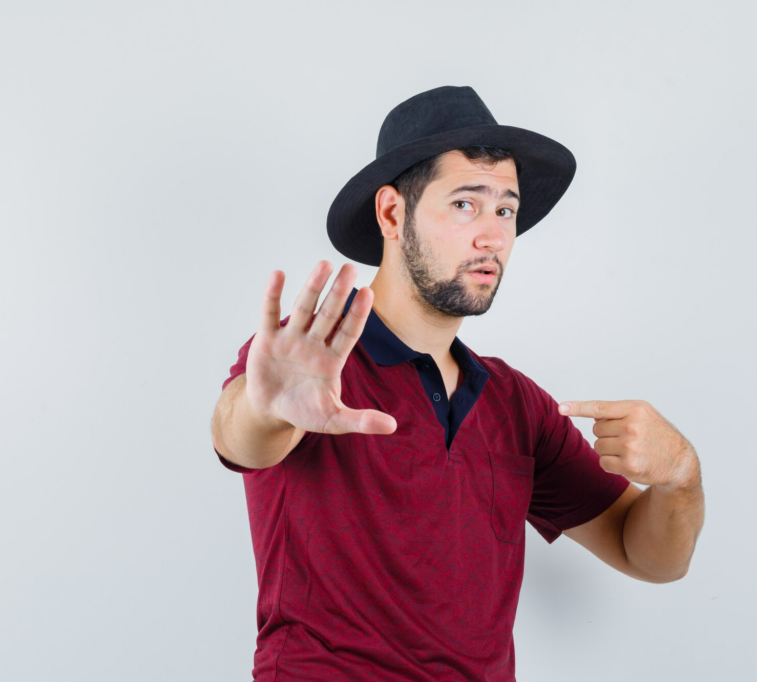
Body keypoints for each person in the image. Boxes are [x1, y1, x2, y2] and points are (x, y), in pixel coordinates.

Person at [210, 85, 705, 681]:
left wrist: (682, 478)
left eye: (505, 210)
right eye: (465, 205)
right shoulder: (307, 361)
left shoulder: (517, 405)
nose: (494, 237)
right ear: (393, 213)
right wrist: (264, 410)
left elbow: (644, 554)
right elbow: (241, 436)